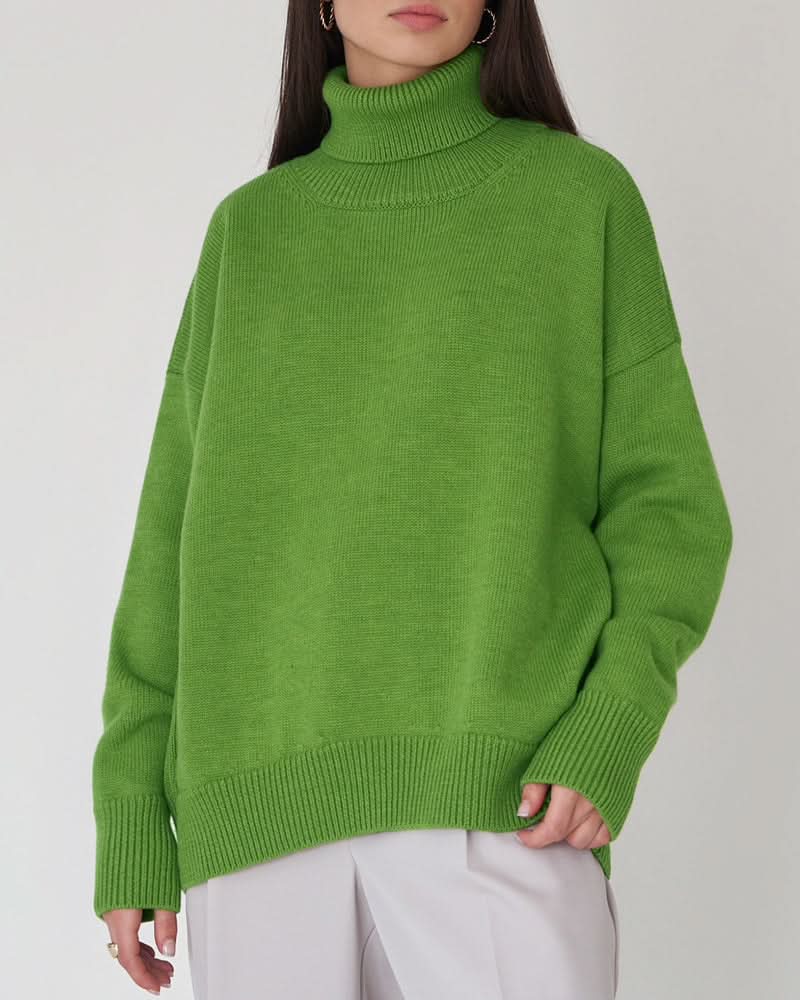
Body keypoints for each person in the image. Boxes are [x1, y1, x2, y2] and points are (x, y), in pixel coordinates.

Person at [90, 2, 734, 997]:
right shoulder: (249, 234)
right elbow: (171, 546)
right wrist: (132, 810)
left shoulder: (576, 198)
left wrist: (608, 726)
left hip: (505, 809)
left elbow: (670, 512)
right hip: (256, 831)